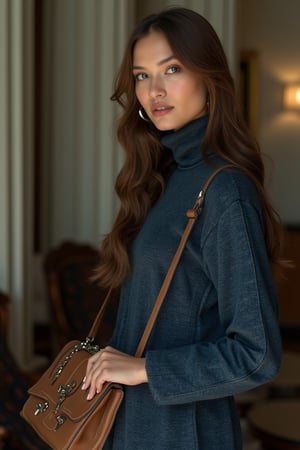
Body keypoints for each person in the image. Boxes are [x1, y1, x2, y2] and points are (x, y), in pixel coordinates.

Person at [82, 7, 283, 449]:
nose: (154, 90)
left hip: (181, 433)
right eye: (141, 75)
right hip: (130, 425)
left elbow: (258, 355)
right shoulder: (164, 178)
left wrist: (142, 368)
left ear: (209, 78)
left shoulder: (224, 190)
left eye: (172, 69)